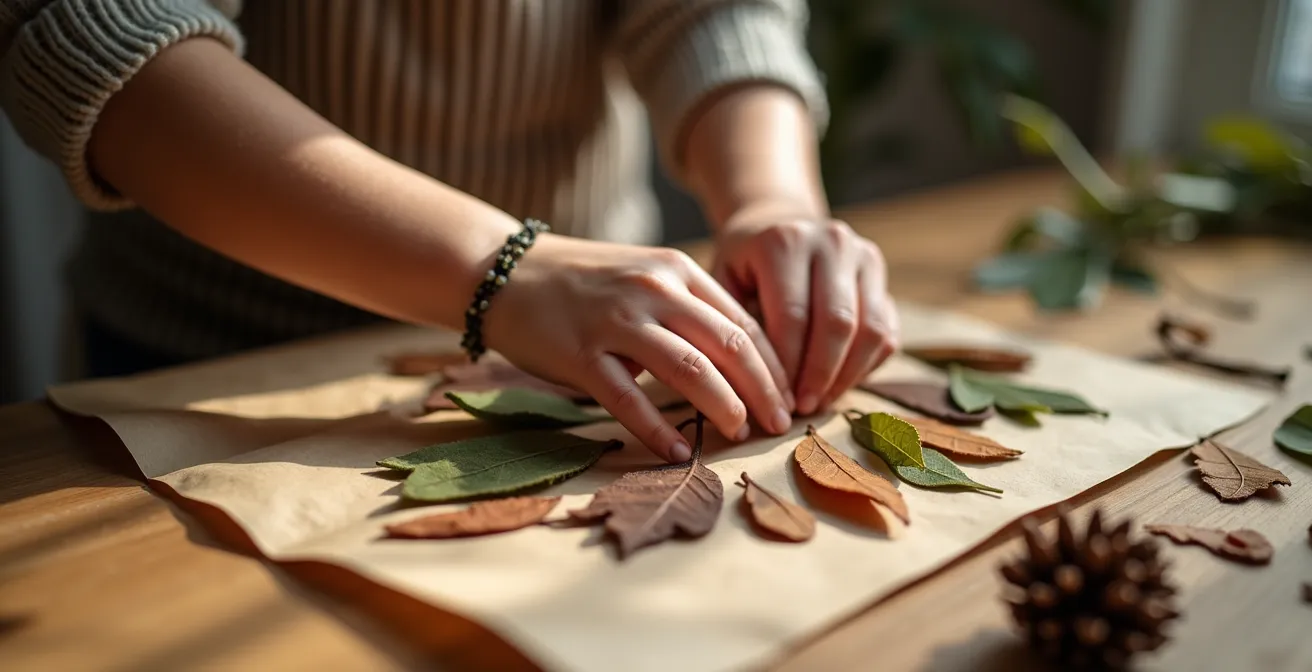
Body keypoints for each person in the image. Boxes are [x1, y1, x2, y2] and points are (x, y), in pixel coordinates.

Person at [0, 0, 899, 462]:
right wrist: (509, 270)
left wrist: (770, 200)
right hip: (209, 374)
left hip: (594, 372)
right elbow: (98, 32)